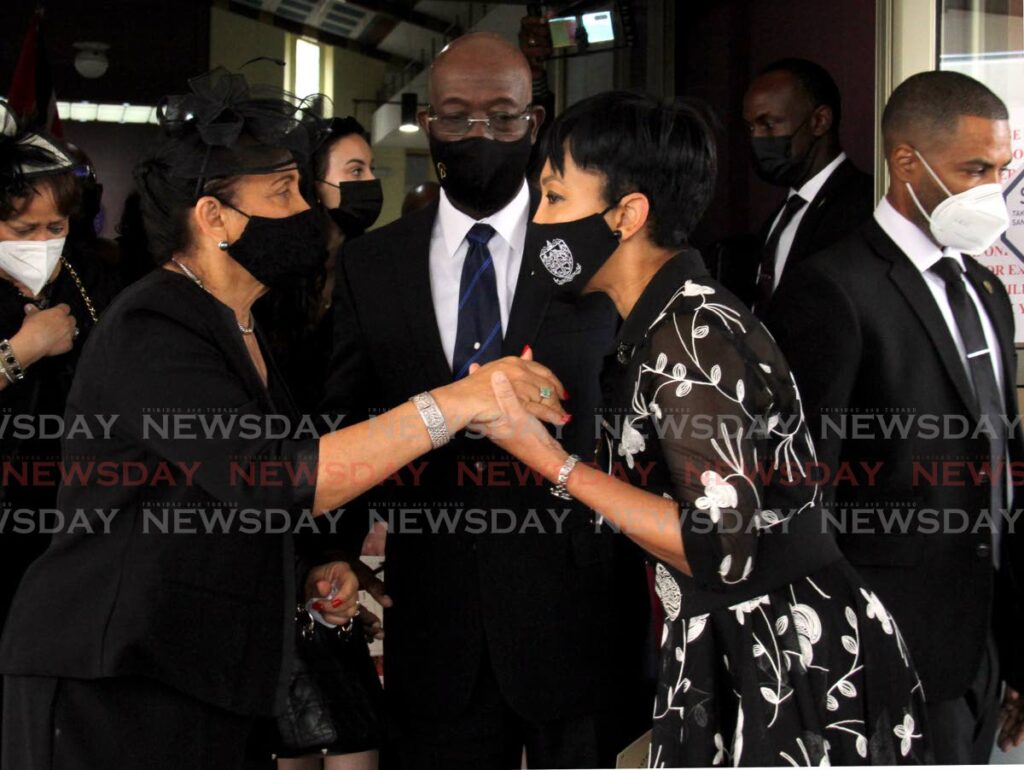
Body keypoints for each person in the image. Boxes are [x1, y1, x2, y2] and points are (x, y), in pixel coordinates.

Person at [0, 69, 567, 770]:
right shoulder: (154, 325)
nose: (307, 210)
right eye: (284, 194)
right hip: (113, 673)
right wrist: (459, 400)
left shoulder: (238, 323)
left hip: (201, 670)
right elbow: (270, 475)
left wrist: (303, 569)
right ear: (214, 218)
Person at [477, 90, 931, 767]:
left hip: (782, 655)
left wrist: (552, 462)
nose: (538, 221)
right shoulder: (665, 325)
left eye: (554, 199)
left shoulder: (690, 337)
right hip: (739, 641)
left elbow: (719, 548)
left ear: (626, 214)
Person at [322, 32, 651, 770]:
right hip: (433, 614)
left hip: (578, 611)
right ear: (426, 120)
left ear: (535, 123)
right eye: (457, 116)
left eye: (503, 117)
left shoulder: (593, 249)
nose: (480, 136)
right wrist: (333, 551)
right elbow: (345, 417)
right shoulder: (374, 265)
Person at [767, 70, 1024, 764]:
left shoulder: (984, 290)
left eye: (1000, 169)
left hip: (986, 644)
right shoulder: (832, 289)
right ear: (906, 161)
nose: (990, 190)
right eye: (973, 169)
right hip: (886, 645)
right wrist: (832, 657)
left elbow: (1003, 468)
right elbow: (802, 489)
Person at [0, 106, 121, 726]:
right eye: (23, 230)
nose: (42, 243)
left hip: (69, 525)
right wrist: (23, 350)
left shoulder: (86, 275)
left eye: (56, 226)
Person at [735, 58, 873, 316]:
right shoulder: (781, 216)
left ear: (819, 121)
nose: (757, 139)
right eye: (751, 127)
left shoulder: (864, 206)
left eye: (769, 124)